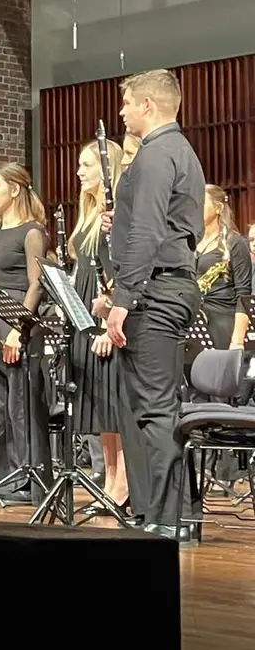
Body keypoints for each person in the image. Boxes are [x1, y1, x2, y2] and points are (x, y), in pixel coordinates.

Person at [103, 69, 204, 544]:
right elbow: (164, 224)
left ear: (147, 104)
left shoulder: (155, 153)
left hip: (156, 292)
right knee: (155, 407)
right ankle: (168, 513)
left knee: (156, 410)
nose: (122, 112)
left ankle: (171, 517)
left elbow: (148, 231)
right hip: (168, 286)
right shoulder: (180, 150)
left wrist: (122, 299)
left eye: (127, 103)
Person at [0, 164, 52, 504]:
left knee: (21, 406)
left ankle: (28, 481)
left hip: (17, 322)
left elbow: (37, 284)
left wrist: (20, 328)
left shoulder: (31, 232)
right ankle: (2, 479)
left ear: (15, 189)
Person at [69, 138, 128, 508]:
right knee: (101, 408)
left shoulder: (116, 212)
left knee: (114, 405)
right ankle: (109, 480)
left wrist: (108, 324)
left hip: (107, 315)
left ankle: (123, 485)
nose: (79, 172)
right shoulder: (88, 213)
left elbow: (120, 271)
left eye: (87, 165)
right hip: (86, 314)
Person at [195, 186, 252, 353]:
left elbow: (243, 294)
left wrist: (237, 340)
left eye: (201, 203)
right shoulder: (191, 242)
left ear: (218, 208)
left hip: (223, 324)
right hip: (196, 322)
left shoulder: (235, 242)